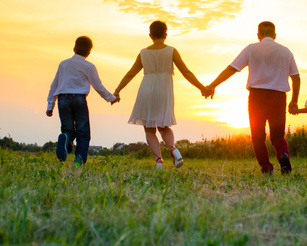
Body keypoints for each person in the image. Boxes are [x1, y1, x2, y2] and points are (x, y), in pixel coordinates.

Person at [114, 20, 211, 169]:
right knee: (164, 126)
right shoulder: (171, 51)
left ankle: (159, 159)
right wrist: (201, 87)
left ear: (150, 35)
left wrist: (117, 90)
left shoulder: (143, 53)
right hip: (164, 90)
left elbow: (130, 74)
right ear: (166, 34)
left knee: (149, 129)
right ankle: (173, 148)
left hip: (146, 89)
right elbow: (186, 72)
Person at [207, 21, 300, 174]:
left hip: (257, 96)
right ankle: (283, 155)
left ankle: (266, 167)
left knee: (257, 136)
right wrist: (294, 101)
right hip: (278, 96)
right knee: (277, 135)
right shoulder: (286, 52)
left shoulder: (251, 49)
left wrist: (213, 85)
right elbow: (296, 77)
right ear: (275, 35)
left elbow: (232, 68)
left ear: (258, 35)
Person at [46, 36, 119, 166]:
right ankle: (78, 161)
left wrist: (50, 105)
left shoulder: (63, 64)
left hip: (63, 99)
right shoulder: (89, 66)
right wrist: (111, 98)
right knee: (83, 132)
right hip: (79, 99)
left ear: (74, 48)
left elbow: (54, 85)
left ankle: (67, 138)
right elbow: (98, 86)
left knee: (67, 129)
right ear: (89, 52)